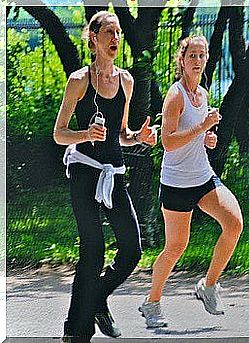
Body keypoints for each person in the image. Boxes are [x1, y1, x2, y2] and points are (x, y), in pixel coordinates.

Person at [53, 11, 157, 342]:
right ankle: (75, 331)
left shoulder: (126, 80)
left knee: (132, 249)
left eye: (118, 34)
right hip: (83, 171)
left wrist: (139, 136)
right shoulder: (79, 81)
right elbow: (59, 133)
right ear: (93, 38)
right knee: (93, 250)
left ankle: (97, 297)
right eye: (109, 33)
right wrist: (85, 134)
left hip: (114, 174)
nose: (115, 38)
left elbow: (121, 134)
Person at [138, 35, 244, 328]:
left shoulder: (202, 94)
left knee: (234, 224)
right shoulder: (176, 95)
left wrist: (208, 138)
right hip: (176, 183)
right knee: (176, 247)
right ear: (181, 61)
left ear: (206, 60)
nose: (197, 61)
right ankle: (152, 303)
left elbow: (199, 136)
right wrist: (202, 126)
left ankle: (208, 286)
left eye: (202, 56)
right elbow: (168, 142)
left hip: (203, 176)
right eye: (192, 56)